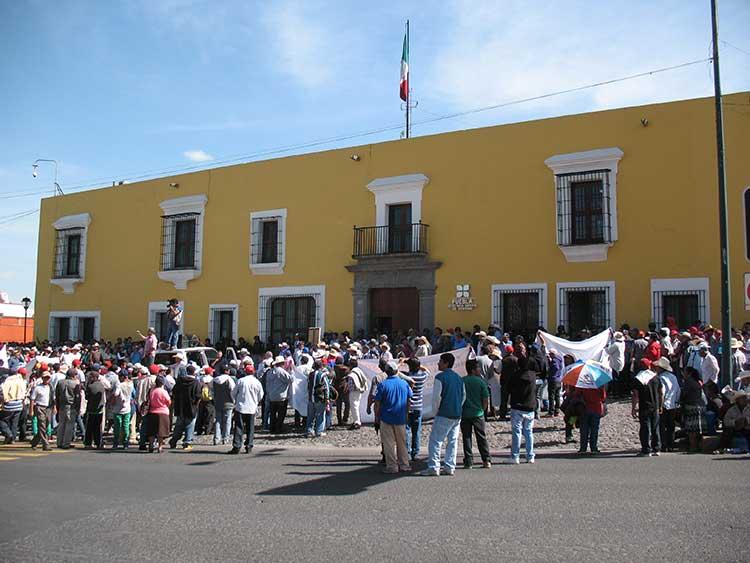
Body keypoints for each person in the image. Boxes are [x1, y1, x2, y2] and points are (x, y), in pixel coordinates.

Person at [422, 353, 465, 477]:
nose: (438, 363)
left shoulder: (440, 377)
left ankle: (434, 467)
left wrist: (435, 412)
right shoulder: (459, 378)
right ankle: (449, 466)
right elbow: (463, 396)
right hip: (457, 413)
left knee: (436, 441)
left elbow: (436, 398)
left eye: (440, 361)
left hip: (444, 413)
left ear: (446, 363)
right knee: (452, 441)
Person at [373, 360, 413, 474]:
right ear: (396, 371)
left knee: (388, 443)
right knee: (402, 442)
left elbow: (377, 403)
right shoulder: (404, 383)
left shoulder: (383, 384)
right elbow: (409, 400)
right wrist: (406, 413)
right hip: (400, 417)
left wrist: (376, 416)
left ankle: (392, 466)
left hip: (386, 417)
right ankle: (404, 465)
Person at [461, 359, 491, 469]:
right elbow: (485, 398)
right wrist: (483, 409)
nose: (479, 370)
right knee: (481, 437)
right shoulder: (480, 382)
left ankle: (468, 461)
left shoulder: (462, 381)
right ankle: (486, 459)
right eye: (478, 368)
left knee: (466, 437)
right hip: (478, 413)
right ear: (473, 370)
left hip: (465, 413)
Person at [507, 355, 537, 464]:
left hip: (517, 406)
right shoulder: (533, 376)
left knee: (516, 432)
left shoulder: (515, 375)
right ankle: (530, 455)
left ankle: (515, 456)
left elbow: (508, 388)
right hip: (530, 406)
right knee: (529, 432)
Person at [229, 365, 264, 454]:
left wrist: (236, 400)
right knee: (250, 428)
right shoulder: (257, 382)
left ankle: (237, 446)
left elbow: (233, 393)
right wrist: (256, 401)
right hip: (251, 408)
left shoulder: (241, 381)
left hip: (240, 407)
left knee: (238, 427)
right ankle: (249, 445)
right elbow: (261, 395)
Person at [632, 359, 664, 456]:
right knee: (655, 427)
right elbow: (661, 393)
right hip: (655, 405)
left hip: (644, 405)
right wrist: (660, 405)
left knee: (645, 428)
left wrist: (634, 407)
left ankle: (646, 449)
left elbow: (635, 395)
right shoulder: (655, 377)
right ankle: (656, 448)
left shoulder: (638, 378)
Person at [169, 364, 202, 451]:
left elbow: (174, 392)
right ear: (194, 372)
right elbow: (198, 396)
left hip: (180, 407)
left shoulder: (180, 381)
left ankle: (173, 441)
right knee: (190, 425)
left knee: (179, 425)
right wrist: (196, 405)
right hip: (191, 407)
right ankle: (187, 442)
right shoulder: (196, 382)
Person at [404, 357, 428, 461]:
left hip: (407, 406)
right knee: (416, 431)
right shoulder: (422, 377)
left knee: (407, 430)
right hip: (418, 406)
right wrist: (419, 366)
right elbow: (427, 371)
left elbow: (395, 372)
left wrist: (401, 363)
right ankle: (416, 452)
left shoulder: (406, 377)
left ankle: (408, 452)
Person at [654, 357, 680, 452]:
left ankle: (663, 445)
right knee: (671, 426)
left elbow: (662, 393)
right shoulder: (673, 377)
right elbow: (677, 390)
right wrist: (676, 402)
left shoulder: (661, 378)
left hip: (664, 405)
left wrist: (659, 405)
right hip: (672, 404)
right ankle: (671, 444)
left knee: (661, 426)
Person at [265, 356, 294, 434]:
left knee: (273, 414)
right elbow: (291, 379)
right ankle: (279, 428)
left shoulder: (270, 372)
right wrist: (291, 371)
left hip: (272, 396)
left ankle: (272, 428)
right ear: (282, 363)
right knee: (281, 414)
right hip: (281, 396)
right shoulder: (282, 371)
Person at [680, 366, 706, 453]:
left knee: (691, 429)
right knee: (697, 429)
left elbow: (684, 394)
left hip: (691, 406)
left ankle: (693, 447)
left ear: (689, 373)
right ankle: (697, 446)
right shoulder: (697, 381)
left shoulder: (688, 382)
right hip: (700, 405)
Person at [55, 368, 81, 449]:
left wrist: (57, 406)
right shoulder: (75, 384)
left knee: (61, 424)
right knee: (69, 425)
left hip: (62, 405)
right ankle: (66, 443)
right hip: (71, 406)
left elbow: (57, 395)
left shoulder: (60, 382)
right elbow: (78, 397)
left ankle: (59, 442)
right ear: (73, 375)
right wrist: (78, 408)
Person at [0, 368, 27, 443]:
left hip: (9, 404)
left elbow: (4, 393)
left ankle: (9, 434)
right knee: (14, 422)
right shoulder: (21, 381)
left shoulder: (7, 381)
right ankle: (13, 438)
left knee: (2, 420)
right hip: (19, 404)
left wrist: (4, 402)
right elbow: (24, 393)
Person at [145, 376, 171, 453]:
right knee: (161, 432)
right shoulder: (163, 391)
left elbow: (148, 399)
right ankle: (160, 447)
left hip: (152, 411)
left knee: (152, 431)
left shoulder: (152, 391)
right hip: (163, 412)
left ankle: (151, 445)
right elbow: (169, 402)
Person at [578, 383, 606, 455]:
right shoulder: (599, 383)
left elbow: (577, 394)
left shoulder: (581, 383)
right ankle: (593, 447)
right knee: (594, 429)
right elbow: (603, 397)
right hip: (596, 408)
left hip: (584, 408)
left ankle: (583, 448)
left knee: (584, 429)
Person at [213, 365, 236, 446]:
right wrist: (234, 402)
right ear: (227, 371)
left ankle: (216, 438)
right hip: (228, 402)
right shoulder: (229, 380)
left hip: (218, 402)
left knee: (218, 421)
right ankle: (225, 438)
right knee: (227, 421)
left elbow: (212, 391)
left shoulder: (215, 380)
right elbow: (232, 391)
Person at [84, 370, 108, 449]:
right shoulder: (101, 385)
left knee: (90, 427)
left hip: (91, 409)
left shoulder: (91, 386)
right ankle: (98, 443)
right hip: (100, 409)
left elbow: (87, 397)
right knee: (98, 427)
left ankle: (88, 443)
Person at [29, 371, 53, 450]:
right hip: (40, 407)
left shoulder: (50, 387)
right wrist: (31, 410)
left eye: (48, 378)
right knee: (42, 425)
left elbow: (53, 398)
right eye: (45, 378)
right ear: (42, 378)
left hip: (48, 408)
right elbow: (32, 399)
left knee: (45, 426)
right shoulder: (38, 388)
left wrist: (55, 407)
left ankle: (34, 441)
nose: (46, 379)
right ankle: (45, 444)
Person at [112, 371, 133, 449]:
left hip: (118, 408)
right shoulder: (131, 385)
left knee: (117, 426)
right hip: (127, 407)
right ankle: (125, 442)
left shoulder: (119, 385)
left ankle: (116, 442)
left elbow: (116, 394)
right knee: (126, 425)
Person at [347, 357, 367, 430]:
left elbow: (352, 383)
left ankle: (357, 422)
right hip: (359, 391)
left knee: (354, 406)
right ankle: (356, 420)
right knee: (356, 406)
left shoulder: (352, 373)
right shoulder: (359, 370)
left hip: (354, 391)